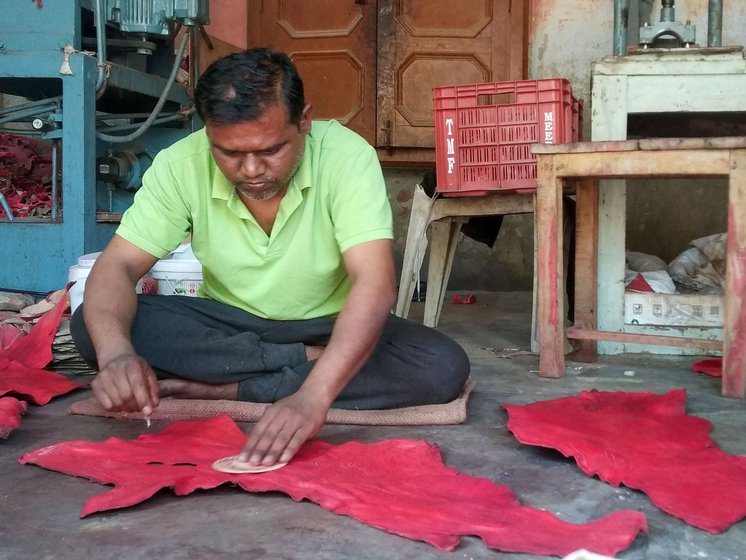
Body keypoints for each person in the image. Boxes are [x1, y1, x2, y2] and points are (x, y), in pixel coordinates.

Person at [71, 47, 470, 469]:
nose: (251, 170)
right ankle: (298, 366)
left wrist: (315, 396)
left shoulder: (347, 157)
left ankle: (228, 389)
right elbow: (118, 265)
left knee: (441, 366)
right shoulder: (180, 165)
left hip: (328, 325)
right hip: (228, 323)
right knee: (91, 326)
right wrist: (116, 355)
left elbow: (374, 284)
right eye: (229, 153)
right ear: (208, 133)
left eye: (270, 150)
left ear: (305, 121)